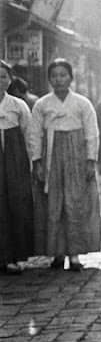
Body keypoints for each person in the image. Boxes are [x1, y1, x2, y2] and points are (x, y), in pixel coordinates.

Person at [28, 58, 101, 272]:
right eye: (54, 76)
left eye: (63, 75)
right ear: (49, 79)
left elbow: (92, 133)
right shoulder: (42, 105)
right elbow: (34, 134)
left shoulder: (82, 103)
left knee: (75, 203)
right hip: (51, 155)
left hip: (76, 156)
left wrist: (90, 159)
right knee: (54, 205)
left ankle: (75, 254)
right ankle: (57, 253)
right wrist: (37, 161)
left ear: (70, 77)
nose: (59, 79)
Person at [0, 61, 34, 275]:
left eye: (3, 76)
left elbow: (29, 135)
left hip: (14, 159)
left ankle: (12, 256)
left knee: (14, 203)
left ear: (10, 79)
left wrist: (32, 162)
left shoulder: (18, 105)